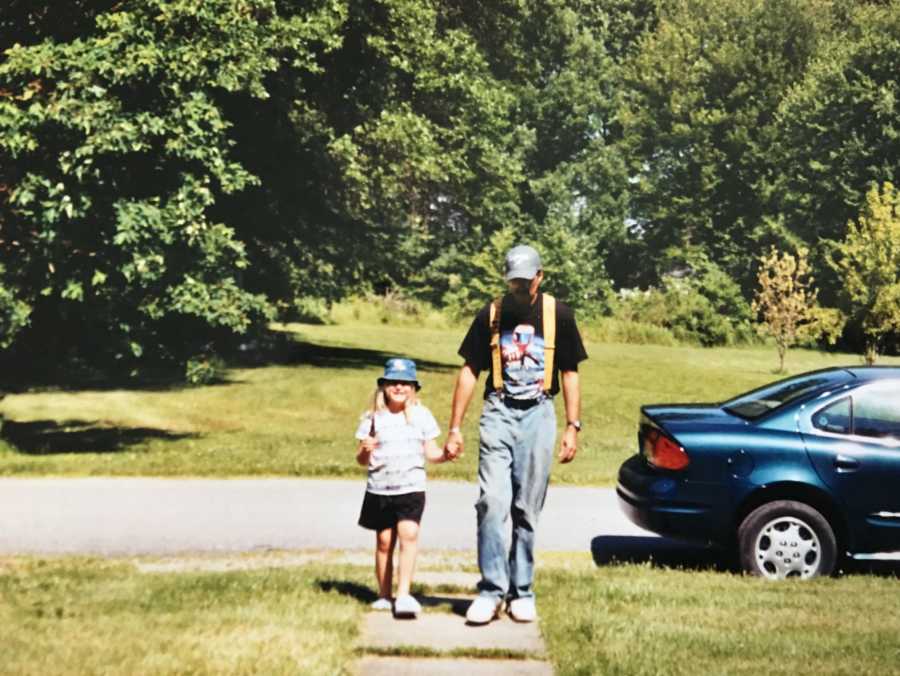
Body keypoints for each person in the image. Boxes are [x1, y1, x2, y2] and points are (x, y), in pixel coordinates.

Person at [443, 244, 587, 625]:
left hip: (540, 414)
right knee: (492, 501)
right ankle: (491, 590)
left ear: (540, 276)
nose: (520, 290)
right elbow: (470, 370)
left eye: (526, 282)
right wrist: (455, 428)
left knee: (527, 508)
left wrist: (573, 426)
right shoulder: (490, 314)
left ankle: (521, 591)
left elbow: (570, 373)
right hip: (498, 411)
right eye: (514, 283)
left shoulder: (559, 315)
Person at [356, 357, 445, 618]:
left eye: (405, 383)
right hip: (380, 489)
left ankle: (404, 594)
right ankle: (384, 595)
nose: (399, 387)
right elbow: (362, 460)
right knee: (384, 542)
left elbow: (432, 452)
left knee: (409, 535)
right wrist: (364, 450)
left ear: (413, 387)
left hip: (411, 487)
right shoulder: (372, 418)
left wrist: (446, 455)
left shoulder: (421, 415)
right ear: (383, 385)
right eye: (393, 382)